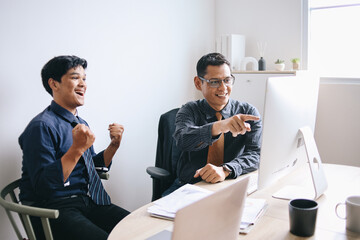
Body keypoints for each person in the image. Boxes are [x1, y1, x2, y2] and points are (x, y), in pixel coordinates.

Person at [19, 55, 129, 240]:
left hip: (85, 201)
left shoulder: (80, 122)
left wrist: (113, 145)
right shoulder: (41, 126)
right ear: (54, 84)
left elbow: (91, 168)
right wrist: (76, 148)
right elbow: (44, 187)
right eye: (75, 77)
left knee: (138, 228)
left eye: (84, 79)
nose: (83, 84)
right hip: (53, 209)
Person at [164, 52, 262, 195]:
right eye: (214, 82)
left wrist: (226, 169)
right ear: (198, 83)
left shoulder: (248, 112)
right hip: (190, 185)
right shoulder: (189, 110)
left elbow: (256, 155)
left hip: (229, 183)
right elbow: (182, 141)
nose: (223, 88)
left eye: (227, 80)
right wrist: (220, 126)